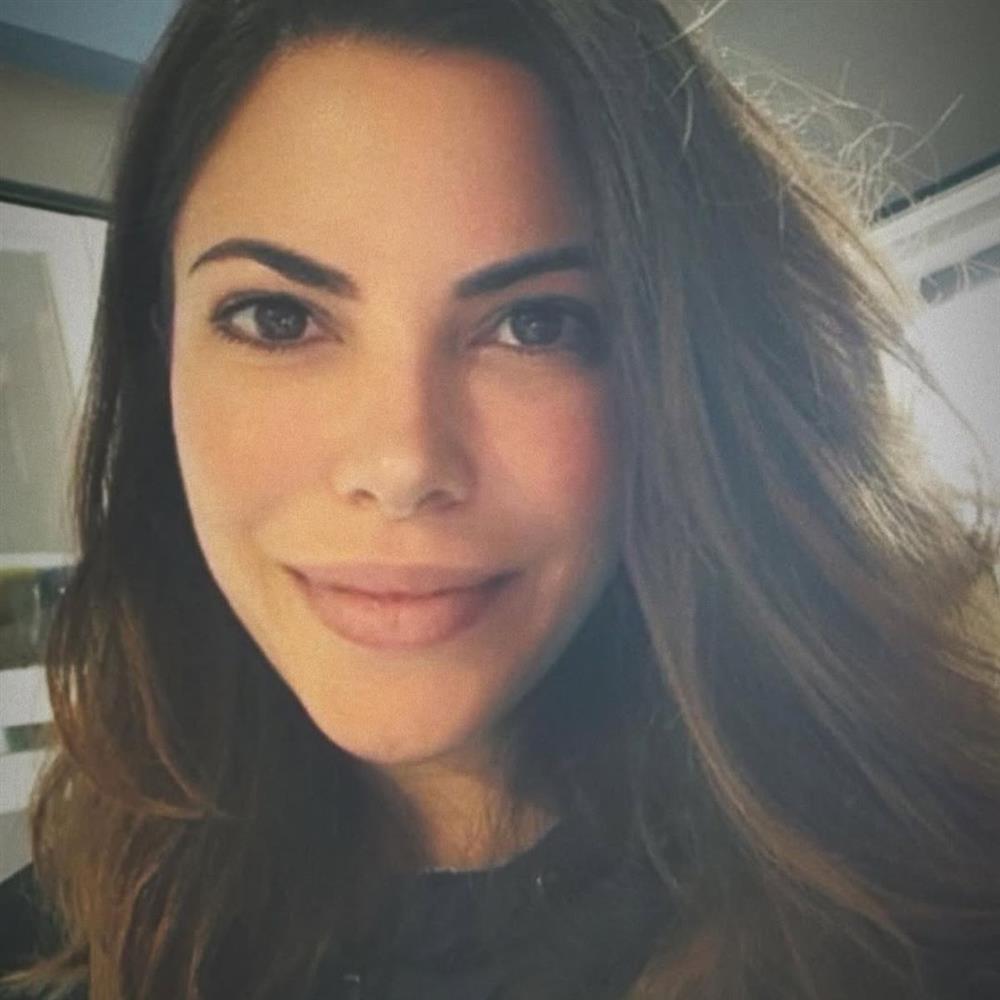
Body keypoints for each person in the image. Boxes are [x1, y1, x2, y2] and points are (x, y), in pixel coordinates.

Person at [2, 0, 999, 997]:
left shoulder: (938, 907)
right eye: (279, 317)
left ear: (686, 373)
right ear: (160, 353)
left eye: (535, 325)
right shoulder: (49, 944)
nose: (402, 463)